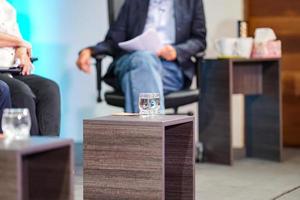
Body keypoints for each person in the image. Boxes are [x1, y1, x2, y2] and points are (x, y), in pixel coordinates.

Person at [77, 0, 206, 113]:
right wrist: (90, 51)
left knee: (134, 78)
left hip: (170, 68)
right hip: (131, 59)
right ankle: (154, 133)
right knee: (144, 59)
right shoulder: (133, 2)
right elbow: (114, 40)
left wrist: (177, 51)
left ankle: (144, 136)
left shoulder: (191, 1)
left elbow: (199, 40)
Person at [0, 0, 60, 136]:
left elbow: (19, 40)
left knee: (49, 88)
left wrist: (22, 51)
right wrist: (21, 43)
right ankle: (30, 151)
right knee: (21, 91)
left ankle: (49, 149)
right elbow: (19, 41)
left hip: (12, 69)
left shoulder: (8, 8)